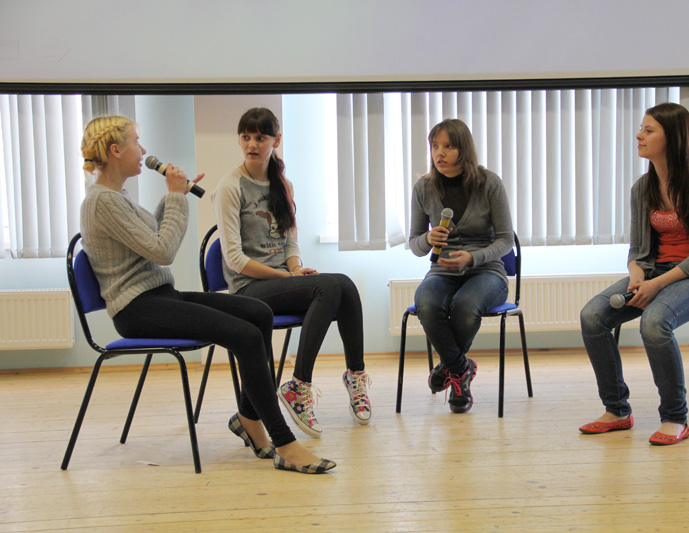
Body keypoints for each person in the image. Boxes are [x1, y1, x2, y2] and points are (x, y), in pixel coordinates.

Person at [79, 116, 334, 474]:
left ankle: (248, 419)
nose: (144, 150)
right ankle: (284, 443)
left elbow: (150, 235)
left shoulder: (116, 197)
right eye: (137, 142)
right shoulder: (102, 202)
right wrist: (174, 197)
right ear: (115, 150)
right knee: (245, 336)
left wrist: (175, 197)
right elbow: (163, 250)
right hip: (136, 308)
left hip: (159, 296)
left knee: (258, 313)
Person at [579, 102, 689, 446]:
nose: (639, 136)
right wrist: (637, 273)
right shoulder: (642, 187)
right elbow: (637, 249)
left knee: (654, 322)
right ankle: (617, 410)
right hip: (655, 272)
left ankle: (675, 418)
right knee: (592, 316)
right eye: (641, 128)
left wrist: (655, 285)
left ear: (674, 137)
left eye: (649, 130)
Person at [211, 107, 371, 439]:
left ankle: (355, 375)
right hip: (247, 289)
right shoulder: (230, 186)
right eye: (245, 137)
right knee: (328, 287)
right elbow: (235, 260)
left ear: (276, 140)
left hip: (280, 283)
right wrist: (288, 278)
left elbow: (290, 242)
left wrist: (296, 267)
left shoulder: (283, 185)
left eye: (260, 137)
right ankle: (299, 386)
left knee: (344, 284)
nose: (252, 144)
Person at [408, 118, 514, 413]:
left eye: (448, 146)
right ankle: (460, 369)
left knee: (465, 305)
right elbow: (415, 245)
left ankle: (448, 368)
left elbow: (506, 240)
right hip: (442, 271)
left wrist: (473, 257)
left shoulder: (489, 183)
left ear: (464, 150)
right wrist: (428, 238)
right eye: (435, 146)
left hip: (487, 271)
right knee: (426, 302)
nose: (439, 153)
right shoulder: (423, 187)